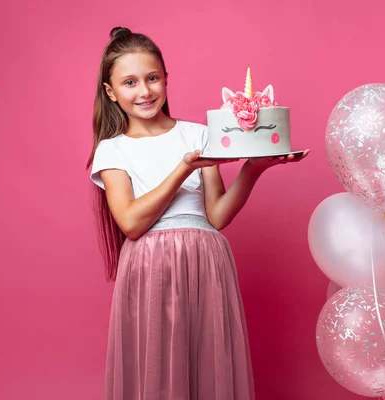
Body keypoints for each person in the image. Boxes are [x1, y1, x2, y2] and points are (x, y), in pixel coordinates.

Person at [86, 26, 309, 400]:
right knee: (156, 369)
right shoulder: (113, 150)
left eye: (152, 78)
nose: (144, 91)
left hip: (207, 260)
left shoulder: (199, 133)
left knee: (207, 367)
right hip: (150, 266)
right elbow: (131, 223)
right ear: (111, 92)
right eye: (130, 82)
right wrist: (183, 168)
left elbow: (217, 215)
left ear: (166, 79)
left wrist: (254, 169)